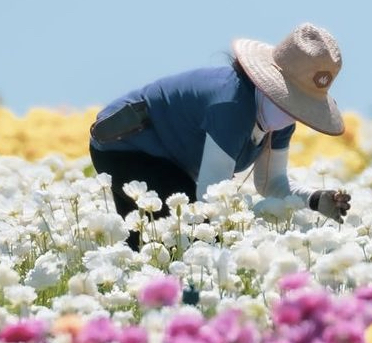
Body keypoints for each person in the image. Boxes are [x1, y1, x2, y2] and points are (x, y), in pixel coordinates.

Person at [89, 22, 352, 250]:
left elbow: (271, 183)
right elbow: (211, 197)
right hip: (125, 146)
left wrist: (315, 200)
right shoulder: (232, 105)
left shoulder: (280, 118)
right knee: (189, 233)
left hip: (168, 161)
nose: (295, 112)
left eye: (302, 103)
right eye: (295, 99)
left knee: (158, 248)